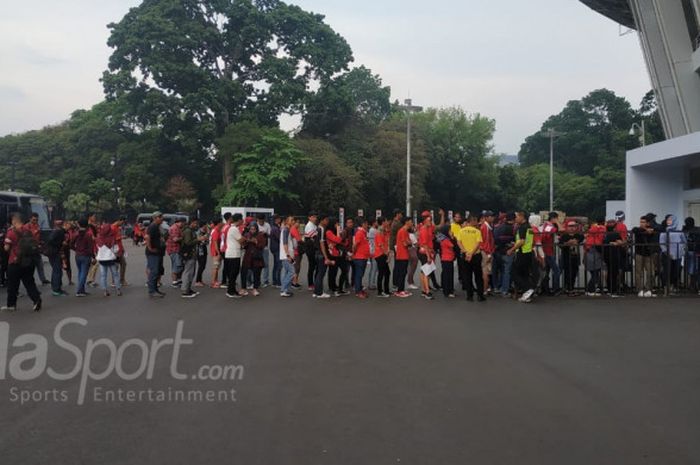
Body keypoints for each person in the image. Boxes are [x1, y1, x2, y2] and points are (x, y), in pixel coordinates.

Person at [2, 213, 42, 312]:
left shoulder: (10, 232)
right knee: (29, 282)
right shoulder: (28, 230)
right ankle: (36, 300)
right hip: (28, 261)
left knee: (12, 285)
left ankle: (11, 305)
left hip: (15, 262)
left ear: (13, 221)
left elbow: (6, 248)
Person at [509, 211, 537, 303]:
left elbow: (521, 241)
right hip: (528, 252)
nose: (515, 218)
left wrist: (511, 249)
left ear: (522, 217)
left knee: (514, 273)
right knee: (524, 274)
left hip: (522, 253)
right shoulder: (529, 227)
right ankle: (527, 294)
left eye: (517, 217)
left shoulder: (522, 227)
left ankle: (528, 288)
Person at [458, 214, 485, 302]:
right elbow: (478, 244)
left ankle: (469, 295)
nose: (477, 222)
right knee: (478, 276)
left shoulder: (461, 231)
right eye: (476, 221)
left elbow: (459, 242)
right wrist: (471, 253)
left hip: (465, 256)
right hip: (476, 256)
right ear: (472, 221)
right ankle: (480, 295)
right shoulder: (477, 231)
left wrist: (466, 252)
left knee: (467, 276)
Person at [659, 214, 686, 293]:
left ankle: (673, 286)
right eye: (668, 220)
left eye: (670, 220)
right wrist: (666, 252)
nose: (669, 222)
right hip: (667, 255)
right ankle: (665, 287)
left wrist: (682, 251)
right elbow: (662, 243)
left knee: (676, 271)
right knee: (667, 271)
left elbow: (684, 242)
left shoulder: (679, 232)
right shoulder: (664, 232)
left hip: (678, 254)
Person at [632, 216, 657, 297]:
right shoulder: (638, 229)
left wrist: (651, 230)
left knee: (651, 272)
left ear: (647, 223)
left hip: (648, 254)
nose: (642, 223)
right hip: (639, 253)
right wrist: (646, 230)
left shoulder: (652, 230)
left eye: (643, 222)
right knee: (639, 273)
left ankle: (648, 289)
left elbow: (660, 229)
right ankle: (639, 289)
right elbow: (634, 230)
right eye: (641, 222)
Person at [180, 217, 204, 298]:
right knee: (188, 272)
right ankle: (185, 291)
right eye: (195, 223)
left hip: (192, 254)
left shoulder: (190, 230)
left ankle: (188, 289)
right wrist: (198, 239)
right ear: (191, 223)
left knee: (191, 272)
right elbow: (188, 242)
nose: (196, 225)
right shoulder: (188, 231)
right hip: (189, 254)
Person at [241, 222, 266, 296]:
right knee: (244, 272)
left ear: (256, 229)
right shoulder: (246, 234)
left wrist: (255, 242)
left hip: (257, 257)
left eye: (254, 229)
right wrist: (245, 242)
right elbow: (243, 245)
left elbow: (262, 246)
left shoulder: (260, 235)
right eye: (251, 229)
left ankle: (255, 289)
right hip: (247, 256)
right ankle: (243, 288)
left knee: (256, 273)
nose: (252, 231)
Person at [96, 223, 121, 297]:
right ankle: (118, 290)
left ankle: (105, 291)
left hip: (102, 259)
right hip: (111, 259)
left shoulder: (98, 238)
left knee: (103, 275)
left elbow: (97, 248)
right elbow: (116, 249)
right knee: (115, 274)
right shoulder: (112, 238)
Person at [493, 212, 516, 297]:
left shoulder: (498, 227)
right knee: (507, 271)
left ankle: (497, 287)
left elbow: (495, 239)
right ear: (513, 220)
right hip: (507, 252)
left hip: (498, 251)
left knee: (500, 270)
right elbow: (512, 241)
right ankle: (505, 290)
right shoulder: (512, 229)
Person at [325, 217, 349, 297]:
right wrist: (339, 233)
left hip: (339, 254)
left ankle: (338, 287)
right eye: (336, 224)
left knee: (344, 270)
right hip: (333, 254)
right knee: (333, 271)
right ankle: (333, 287)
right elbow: (338, 240)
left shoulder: (335, 231)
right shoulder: (328, 232)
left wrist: (341, 237)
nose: (337, 225)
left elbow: (344, 242)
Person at [559, 221, 584, 296]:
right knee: (567, 273)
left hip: (575, 257)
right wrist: (567, 243)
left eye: (573, 226)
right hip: (566, 257)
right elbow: (561, 245)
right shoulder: (564, 236)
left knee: (574, 273)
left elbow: (579, 240)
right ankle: (568, 289)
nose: (572, 228)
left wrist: (571, 242)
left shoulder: (579, 235)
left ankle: (571, 288)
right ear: (567, 227)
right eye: (570, 226)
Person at [72, 218, 94, 297]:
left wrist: (76, 249)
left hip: (78, 255)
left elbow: (71, 243)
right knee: (84, 273)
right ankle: (79, 291)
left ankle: (82, 290)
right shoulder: (88, 235)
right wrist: (93, 256)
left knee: (80, 272)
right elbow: (91, 247)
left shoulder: (76, 234)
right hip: (86, 256)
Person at [145, 212, 166, 298]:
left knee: (157, 271)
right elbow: (147, 237)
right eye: (160, 217)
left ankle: (155, 289)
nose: (162, 219)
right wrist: (150, 248)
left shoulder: (157, 227)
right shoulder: (152, 226)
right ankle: (152, 291)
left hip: (158, 252)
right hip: (153, 253)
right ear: (155, 218)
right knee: (154, 272)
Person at [225, 214, 246, 298]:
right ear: (239, 220)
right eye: (242, 219)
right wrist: (245, 238)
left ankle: (232, 290)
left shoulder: (233, 228)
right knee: (233, 273)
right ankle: (230, 291)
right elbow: (241, 240)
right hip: (233, 254)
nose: (243, 221)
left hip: (233, 253)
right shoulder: (233, 229)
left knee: (233, 273)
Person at [584, 218, 606, 297]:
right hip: (594, 255)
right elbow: (600, 243)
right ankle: (589, 290)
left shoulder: (590, 235)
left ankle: (598, 288)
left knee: (595, 274)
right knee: (595, 274)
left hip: (588, 254)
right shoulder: (600, 230)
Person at [541, 212, 561, 296]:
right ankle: (555, 289)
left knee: (546, 271)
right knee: (556, 271)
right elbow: (561, 229)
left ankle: (545, 289)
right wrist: (557, 223)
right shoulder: (549, 226)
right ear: (553, 218)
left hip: (547, 251)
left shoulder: (545, 225)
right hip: (548, 251)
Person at [603, 219, 625, 297]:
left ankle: (610, 289)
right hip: (614, 255)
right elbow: (621, 243)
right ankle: (613, 290)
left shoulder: (605, 234)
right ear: (615, 226)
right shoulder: (615, 234)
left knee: (609, 272)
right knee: (614, 273)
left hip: (606, 255)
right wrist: (618, 243)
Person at [312, 215, 332, 299]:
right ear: (322, 220)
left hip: (316, 253)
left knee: (318, 273)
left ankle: (316, 292)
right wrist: (326, 257)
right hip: (321, 253)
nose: (327, 222)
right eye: (326, 220)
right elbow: (322, 244)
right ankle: (319, 293)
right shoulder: (322, 229)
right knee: (321, 273)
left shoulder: (316, 229)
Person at [46, 219, 68, 297]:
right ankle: (56, 289)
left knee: (57, 270)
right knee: (57, 271)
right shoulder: (58, 231)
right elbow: (50, 240)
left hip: (53, 253)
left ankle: (56, 287)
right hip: (55, 253)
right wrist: (60, 243)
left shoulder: (58, 231)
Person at [417, 211, 435, 300]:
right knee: (426, 272)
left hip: (425, 251)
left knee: (423, 271)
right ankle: (427, 291)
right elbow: (424, 244)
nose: (430, 222)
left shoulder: (427, 228)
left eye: (431, 220)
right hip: (425, 252)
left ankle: (424, 290)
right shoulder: (424, 229)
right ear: (424, 221)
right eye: (429, 220)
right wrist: (428, 256)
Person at [393, 217, 413, 298]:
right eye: (411, 221)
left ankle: (401, 289)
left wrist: (409, 242)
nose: (412, 223)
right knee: (402, 273)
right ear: (407, 222)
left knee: (403, 272)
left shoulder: (405, 231)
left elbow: (409, 242)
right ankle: (400, 291)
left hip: (403, 254)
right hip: (402, 255)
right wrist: (410, 243)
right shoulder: (403, 231)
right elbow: (406, 243)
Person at [352, 217, 371, 298]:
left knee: (360, 274)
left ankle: (359, 289)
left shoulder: (363, 233)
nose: (367, 225)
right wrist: (354, 254)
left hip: (363, 257)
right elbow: (355, 245)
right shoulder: (360, 233)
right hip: (360, 257)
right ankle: (358, 291)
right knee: (359, 275)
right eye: (366, 224)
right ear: (363, 224)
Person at [279, 216, 297, 297]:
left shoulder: (286, 230)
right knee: (292, 272)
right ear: (287, 221)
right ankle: (283, 289)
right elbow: (285, 243)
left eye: (293, 220)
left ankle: (285, 290)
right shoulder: (286, 230)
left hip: (286, 255)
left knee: (286, 272)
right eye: (291, 220)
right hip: (286, 255)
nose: (293, 221)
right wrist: (288, 255)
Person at [374, 217, 391, 298]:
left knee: (387, 272)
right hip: (380, 254)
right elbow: (380, 245)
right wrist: (386, 254)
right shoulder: (379, 232)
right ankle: (380, 291)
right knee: (382, 273)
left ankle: (386, 290)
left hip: (382, 254)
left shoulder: (383, 231)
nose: (387, 222)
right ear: (383, 222)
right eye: (386, 221)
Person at [479, 210, 496, 295]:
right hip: (486, 252)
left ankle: (486, 288)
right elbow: (486, 242)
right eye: (491, 216)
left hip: (487, 251)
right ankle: (485, 289)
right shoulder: (485, 227)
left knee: (487, 271)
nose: (492, 218)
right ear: (486, 217)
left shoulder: (487, 226)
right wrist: (489, 253)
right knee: (485, 271)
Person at [438, 224, 456, 298]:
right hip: (447, 258)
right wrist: (452, 237)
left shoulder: (443, 238)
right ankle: (448, 291)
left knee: (448, 274)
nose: (451, 231)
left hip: (447, 258)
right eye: (449, 230)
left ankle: (448, 290)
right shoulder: (445, 239)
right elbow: (452, 246)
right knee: (448, 275)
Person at [166, 217, 185, 287]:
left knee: (179, 265)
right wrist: (183, 238)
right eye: (183, 223)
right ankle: (174, 281)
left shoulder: (176, 227)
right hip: (174, 249)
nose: (184, 225)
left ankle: (178, 280)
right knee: (176, 265)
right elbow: (175, 239)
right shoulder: (175, 228)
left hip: (175, 249)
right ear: (180, 222)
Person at [256, 213, 272, 287]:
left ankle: (265, 281)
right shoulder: (255, 225)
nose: (261, 223)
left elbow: (270, 235)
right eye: (259, 221)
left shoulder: (267, 225)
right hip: (257, 248)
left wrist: (265, 234)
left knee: (266, 264)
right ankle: (257, 280)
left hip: (265, 248)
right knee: (257, 265)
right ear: (257, 220)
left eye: (262, 221)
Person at [304, 213, 319, 290]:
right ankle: (310, 284)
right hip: (310, 249)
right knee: (312, 266)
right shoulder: (309, 226)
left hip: (313, 248)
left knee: (315, 266)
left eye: (315, 217)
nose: (315, 218)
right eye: (313, 217)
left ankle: (315, 282)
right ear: (309, 217)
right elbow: (315, 236)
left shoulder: (314, 225)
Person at [112, 216, 128, 286]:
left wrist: (123, 249)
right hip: (115, 250)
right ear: (119, 220)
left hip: (119, 249)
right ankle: (116, 281)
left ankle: (120, 280)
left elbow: (119, 240)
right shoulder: (112, 228)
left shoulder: (117, 228)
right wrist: (122, 237)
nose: (122, 224)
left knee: (122, 264)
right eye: (122, 222)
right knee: (117, 265)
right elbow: (113, 239)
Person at [209, 217, 223, 288]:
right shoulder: (215, 231)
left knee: (217, 267)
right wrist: (218, 253)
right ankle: (213, 282)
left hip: (216, 251)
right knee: (215, 267)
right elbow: (215, 243)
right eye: (221, 222)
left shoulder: (217, 230)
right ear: (219, 223)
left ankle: (216, 281)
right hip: (215, 252)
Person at [194, 220, 209, 287]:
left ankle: (200, 280)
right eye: (206, 225)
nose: (207, 226)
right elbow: (200, 240)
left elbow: (206, 241)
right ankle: (197, 280)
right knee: (201, 266)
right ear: (203, 225)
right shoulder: (199, 232)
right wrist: (205, 237)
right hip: (200, 251)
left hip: (203, 249)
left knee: (203, 266)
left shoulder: (204, 232)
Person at [269, 215, 282, 288]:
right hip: (277, 248)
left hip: (273, 248)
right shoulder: (276, 228)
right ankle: (277, 282)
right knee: (278, 265)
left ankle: (275, 281)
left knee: (275, 265)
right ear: (276, 220)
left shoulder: (274, 227)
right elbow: (279, 238)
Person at [367, 218, 379, 290]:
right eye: (376, 222)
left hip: (372, 250)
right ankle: (371, 284)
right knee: (374, 268)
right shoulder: (373, 230)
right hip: (374, 250)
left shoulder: (372, 230)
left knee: (373, 268)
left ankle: (371, 283)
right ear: (374, 223)